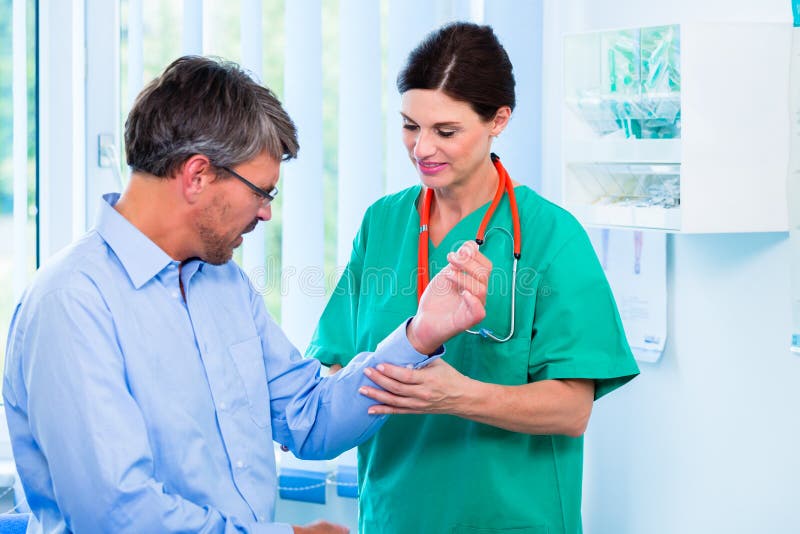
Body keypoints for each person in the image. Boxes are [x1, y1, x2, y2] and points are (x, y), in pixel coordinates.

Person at [2, 56, 492, 534]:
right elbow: (115, 513)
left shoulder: (223, 283)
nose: (265, 215)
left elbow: (310, 417)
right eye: (262, 191)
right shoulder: (72, 302)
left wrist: (419, 334)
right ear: (197, 175)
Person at [308, 22, 640, 534]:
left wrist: (455, 395)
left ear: (498, 120)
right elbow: (332, 366)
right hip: (395, 514)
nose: (421, 149)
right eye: (409, 126)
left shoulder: (551, 236)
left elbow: (572, 408)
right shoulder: (383, 223)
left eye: (446, 131)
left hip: (511, 520)